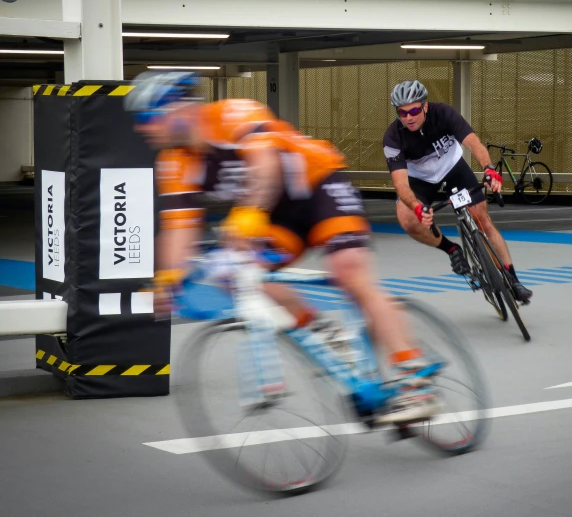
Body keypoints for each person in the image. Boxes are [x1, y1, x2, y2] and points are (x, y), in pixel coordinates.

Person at [124, 71, 440, 424]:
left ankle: (415, 379)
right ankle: (321, 331)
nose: (142, 128)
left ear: (178, 110)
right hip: (278, 215)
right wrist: (167, 277)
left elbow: (266, 165)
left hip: (318, 187)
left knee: (349, 272)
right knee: (240, 276)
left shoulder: (231, 114)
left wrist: (248, 214)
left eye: (147, 118)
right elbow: (178, 229)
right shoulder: (174, 163)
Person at [382, 80, 532, 303]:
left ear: (425, 106)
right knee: (407, 219)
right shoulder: (393, 137)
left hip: (452, 168)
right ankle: (451, 248)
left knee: (482, 219)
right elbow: (401, 184)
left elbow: (474, 144)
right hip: (419, 180)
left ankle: (513, 279)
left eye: (414, 110)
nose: (409, 117)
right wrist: (418, 207)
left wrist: (489, 169)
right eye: (402, 113)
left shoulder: (444, 113)